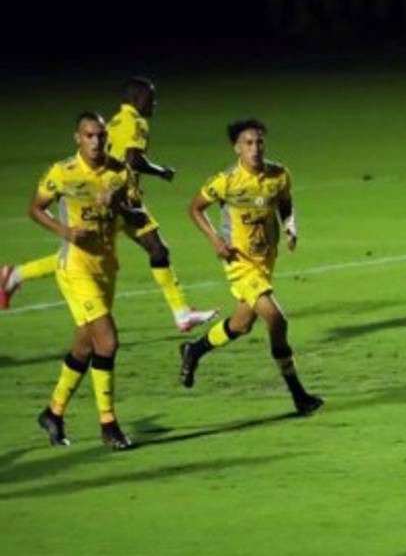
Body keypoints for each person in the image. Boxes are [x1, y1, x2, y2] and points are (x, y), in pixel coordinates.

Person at [2, 77, 219, 331]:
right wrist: (161, 171)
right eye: (151, 98)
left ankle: (14, 275)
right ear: (138, 99)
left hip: (112, 194)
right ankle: (181, 312)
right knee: (149, 249)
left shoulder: (115, 120)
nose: (155, 103)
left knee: (105, 249)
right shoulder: (136, 122)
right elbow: (133, 159)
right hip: (115, 197)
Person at [179, 119, 323, 416]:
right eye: (248, 143)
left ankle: (194, 350)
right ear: (237, 147)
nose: (255, 148)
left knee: (241, 324)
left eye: (259, 142)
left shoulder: (279, 174)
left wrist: (291, 226)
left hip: (265, 260)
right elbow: (195, 208)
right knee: (276, 320)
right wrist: (216, 240)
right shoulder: (226, 181)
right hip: (239, 263)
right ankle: (298, 395)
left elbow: (285, 202)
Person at [30, 112, 144, 450]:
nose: (95, 142)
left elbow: (138, 214)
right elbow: (36, 208)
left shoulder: (120, 172)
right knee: (107, 341)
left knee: (85, 344)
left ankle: (53, 411)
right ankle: (108, 425)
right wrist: (65, 231)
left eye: (100, 136)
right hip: (75, 268)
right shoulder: (62, 172)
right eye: (89, 135)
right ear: (77, 138)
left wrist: (120, 202)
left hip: (106, 268)